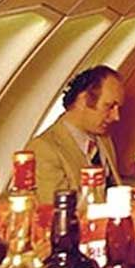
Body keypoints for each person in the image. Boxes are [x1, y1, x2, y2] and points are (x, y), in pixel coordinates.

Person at [28, 65, 124, 203]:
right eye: (109, 106)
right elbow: (58, 213)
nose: (116, 117)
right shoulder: (44, 150)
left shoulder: (103, 139)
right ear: (82, 101)